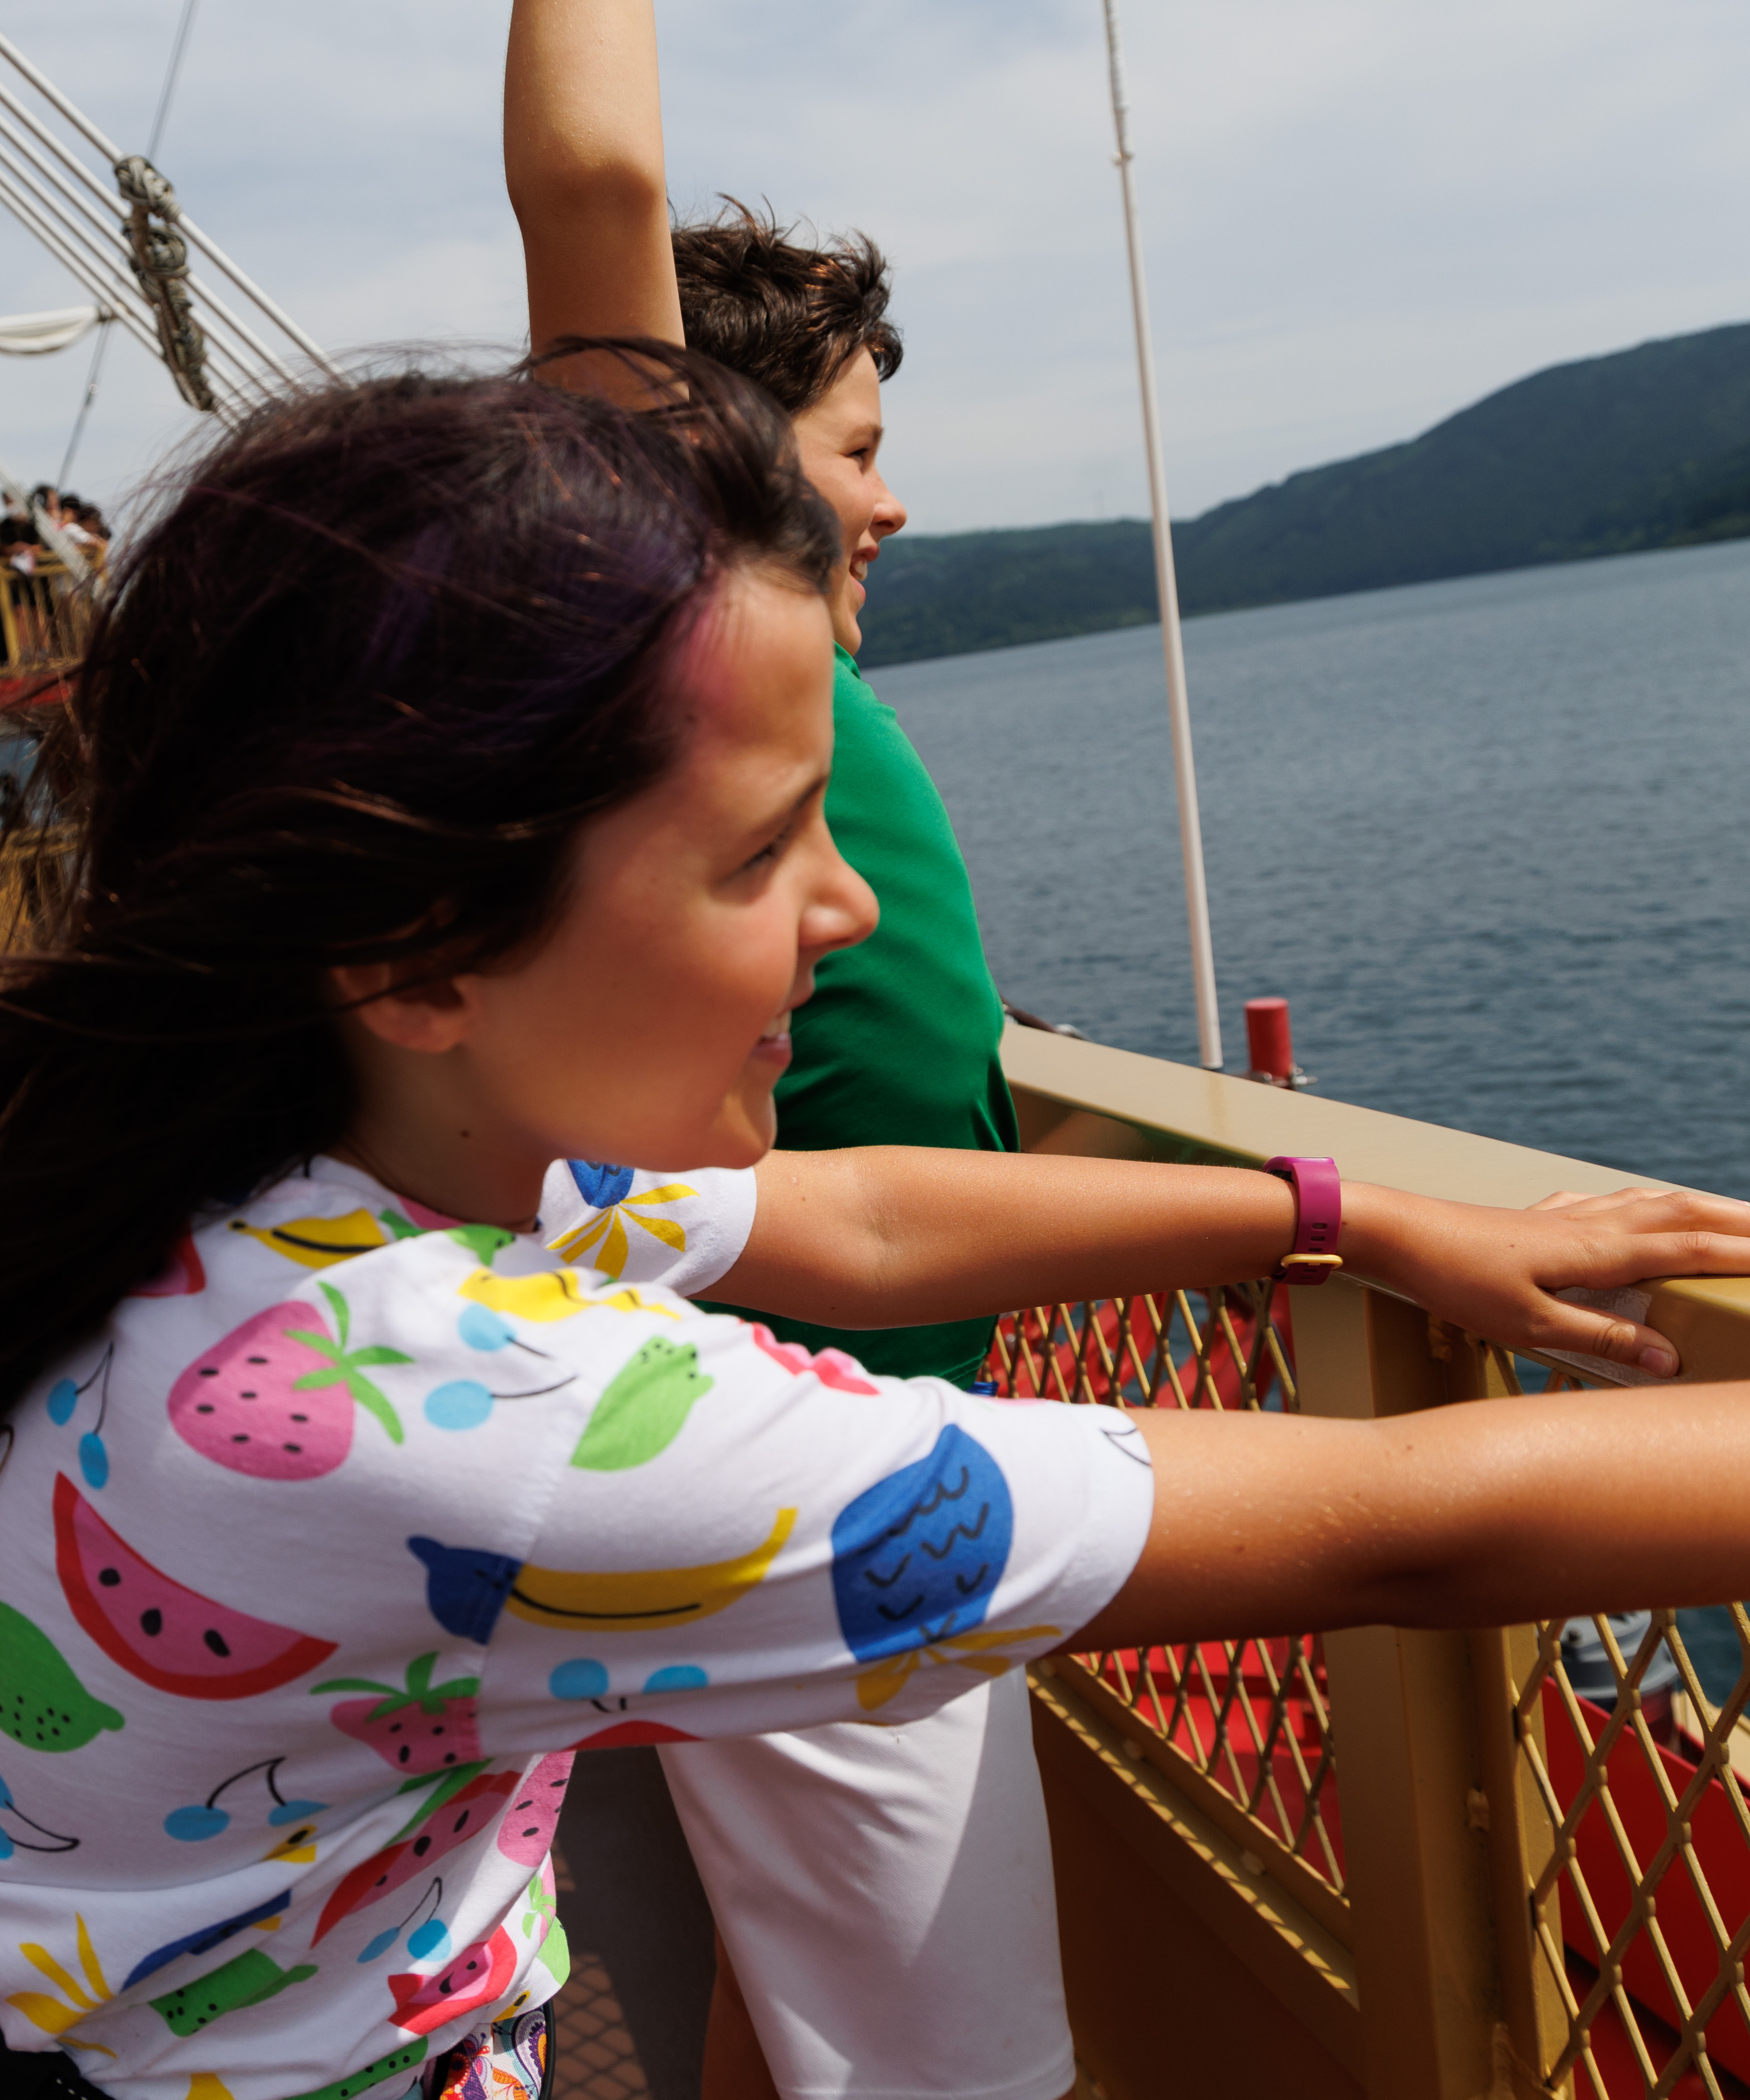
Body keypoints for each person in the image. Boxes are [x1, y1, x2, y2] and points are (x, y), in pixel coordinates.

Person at [0, 355, 1750, 2100]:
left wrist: (1338, 1210)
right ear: (418, 951)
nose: (841, 911)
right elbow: (1414, 1525)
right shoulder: (464, 1419)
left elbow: (832, 1212)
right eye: (760, 853)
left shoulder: (258, 1195)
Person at [503, 17, 1068, 2095]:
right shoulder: (691, 619)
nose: (891, 498)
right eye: (851, 449)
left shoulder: (785, 692)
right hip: (822, 1467)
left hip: (845, 1426)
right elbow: (594, 189)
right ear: (719, 460)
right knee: (939, 2065)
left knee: (799, 2007)